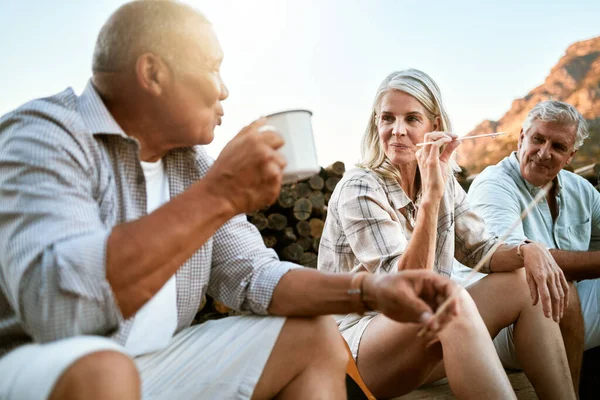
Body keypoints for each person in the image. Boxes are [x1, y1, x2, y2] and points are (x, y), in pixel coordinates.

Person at [0, 2, 505, 399]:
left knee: (312, 336)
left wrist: (369, 293)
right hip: (42, 366)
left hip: (158, 361)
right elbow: (58, 311)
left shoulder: (190, 165)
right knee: (102, 371)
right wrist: (218, 194)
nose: (225, 89)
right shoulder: (46, 134)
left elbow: (254, 277)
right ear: (153, 74)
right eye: (213, 69)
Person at [318, 69, 576, 399]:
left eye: (412, 119)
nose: (397, 131)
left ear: (434, 126)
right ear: (376, 124)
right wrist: (431, 198)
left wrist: (528, 250)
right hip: (353, 356)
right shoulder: (359, 187)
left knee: (522, 281)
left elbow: (479, 248)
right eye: (387, 119)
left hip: (419, 342)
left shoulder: (442, 180)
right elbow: (409, 289)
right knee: (446, 299)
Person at [454, 99, 600, 392]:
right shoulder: (494, 183)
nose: (544, 153)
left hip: (563, 314)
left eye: (558, 147)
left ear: (570, 156)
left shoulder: (580, 189)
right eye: (538, 139)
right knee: (558, 283)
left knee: (560, 285)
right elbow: (519, 258)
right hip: (503, 327)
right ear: (522, 137)